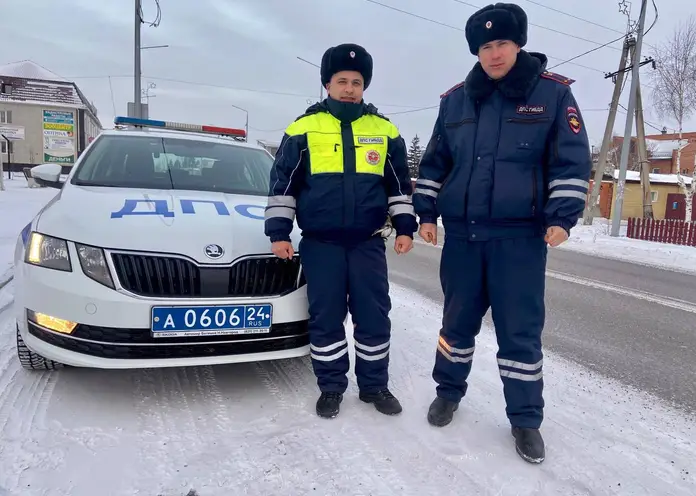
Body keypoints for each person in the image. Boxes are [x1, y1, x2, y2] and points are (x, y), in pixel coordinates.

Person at [413, 3, 591, 464]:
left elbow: (570, 163)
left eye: (503, 44)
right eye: (486, 47)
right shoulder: (455, 100)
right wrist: (426, 213)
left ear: (519, 45)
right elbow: (434, 164)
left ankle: (526, 421)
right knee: (456, 325)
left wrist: (561, 216)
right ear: (477, 51)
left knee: (520, 334)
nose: (494, 54)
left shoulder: (552, 95)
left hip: (521, 241)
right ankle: (448, 393)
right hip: (465, 239)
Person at [264, 43, 418, 419]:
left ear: (364, 86)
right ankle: (331, 387)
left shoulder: (383, 130)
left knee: (374, 315)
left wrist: (404, 227)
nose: (349, 88)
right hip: (322, 244)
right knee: (326, 317)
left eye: (357, 82)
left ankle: (374, 385)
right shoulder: (304, 128)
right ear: (327, 84)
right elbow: (283, 184)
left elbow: (399, 185)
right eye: (341, 81)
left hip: (367, 244)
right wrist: (279, 233)